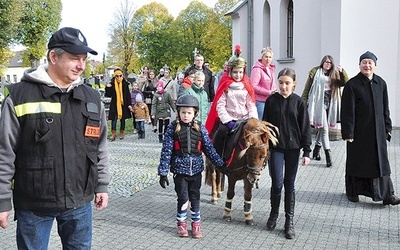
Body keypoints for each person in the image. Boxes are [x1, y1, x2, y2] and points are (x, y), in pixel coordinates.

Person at [0, 27, 111, 249]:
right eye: (73, 59)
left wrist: (102, 185)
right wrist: (2, 199)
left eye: (83, 59)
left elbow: (99, 146)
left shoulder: (91, 98)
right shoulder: (19, 96)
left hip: (79, 202)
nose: (81, 65)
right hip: (33, 205)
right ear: (53, 57)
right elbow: (4, 152)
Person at [158, 94, 228, 238]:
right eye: (183, 112)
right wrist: (163, 172)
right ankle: (181, 224)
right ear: (178, 113)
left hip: (196, 171)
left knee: (195, 198)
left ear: (194, 113)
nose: (186, 115)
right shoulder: (173, 129)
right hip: (180, 171)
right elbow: (166, 151)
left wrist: (220, 164)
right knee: (183, 198)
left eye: (189, 113)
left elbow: (209, 149)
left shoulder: (200, 129)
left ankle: (196, 225)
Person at [341, 51, 400, 206]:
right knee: (357, 163)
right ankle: (352, 192)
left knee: (381, 163)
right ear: (359, 65)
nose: (367, 65)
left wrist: (387, 127)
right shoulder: (352, 85)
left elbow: (385, 108)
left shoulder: (381, 83)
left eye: (370, 62)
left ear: (375, 65)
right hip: (358, 134)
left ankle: (388, 194)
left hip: (378, 132)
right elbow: (347, 111)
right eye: (364, 62)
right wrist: (348, 132)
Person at [263, 68, 311, 239]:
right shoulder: (271, 101)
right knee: (277, 183)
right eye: (281, 82)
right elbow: (265, 126)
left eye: (287, 83)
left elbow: (305, 128)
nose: (283, 86)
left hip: (293, 149)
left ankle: (288, 222)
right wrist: (265, 148)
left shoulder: (299, 103)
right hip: (275, 148)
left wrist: (307, 151)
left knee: (289, 185)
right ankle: (273, 214)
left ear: (294, 84)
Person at [205, 45, 258, 157]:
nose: (238, 75)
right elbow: (220, 106)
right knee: (221, 133)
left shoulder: (246, 86)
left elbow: (251, 104)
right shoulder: (226, 85)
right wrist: (228, 121)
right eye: (235, 72)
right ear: (230, 72)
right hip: (230, 119)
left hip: (244, 119)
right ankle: (217, 157)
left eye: (240, 72)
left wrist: (253, 118)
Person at [301, 55, 348, 167]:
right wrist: (303, 101)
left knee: (323, 126)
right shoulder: (315, 72)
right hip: (318, 101)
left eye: (330, 62)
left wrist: (342, 72)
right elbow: (308, 87)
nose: (328, 64)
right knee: (324, 128)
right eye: (326, 62)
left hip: (331, 102)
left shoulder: (334, 74)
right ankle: (328, 154)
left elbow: (345, 82)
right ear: (322, 62)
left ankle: (317, 149)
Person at [250, 47, 277, 119]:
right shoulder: (257, 69)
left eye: (270, 57)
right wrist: (268, 92)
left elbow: (272, 83)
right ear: (262, 57)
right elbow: (253, 86)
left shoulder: (271, 69)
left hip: (270, 100)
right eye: (266, 57)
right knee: (261, 122)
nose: (268, 59)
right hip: (260, 101)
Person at [105, 68, 132, 140]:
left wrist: (129, 104)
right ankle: (113, 133)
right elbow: (108, 95)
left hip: (123, 104)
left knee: (122, 119)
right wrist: (107, 88)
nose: (119, 77)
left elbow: (128, 95)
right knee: (114, 119)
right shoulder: (112, 83)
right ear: (114, 76)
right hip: (114, 104)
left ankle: (121, 132)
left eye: (120, 75)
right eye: (117, 76)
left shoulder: (125, 84)